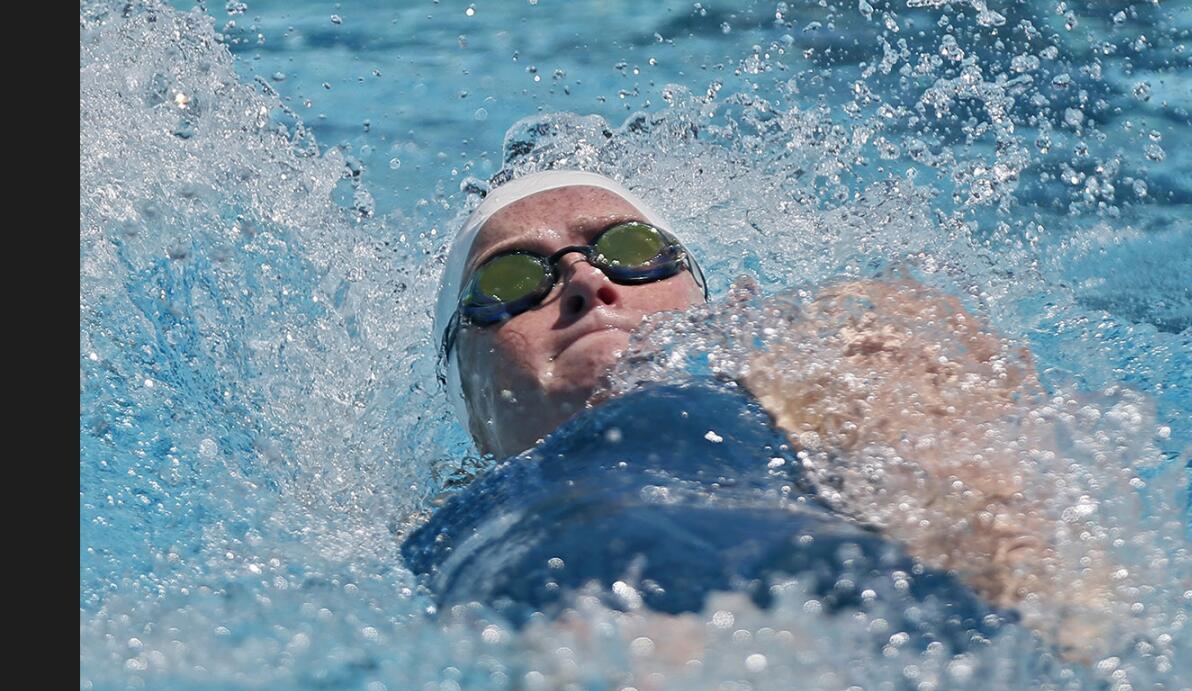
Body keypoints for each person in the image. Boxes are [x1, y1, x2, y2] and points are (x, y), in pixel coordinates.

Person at [407, 169, 1120, 665]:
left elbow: (1027, 557)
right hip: (564, 616)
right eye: (511, 279)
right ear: (467, 397)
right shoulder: (421, 536)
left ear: (709, 304)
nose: (588, 282)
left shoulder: (842, 368)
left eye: (631, 252)